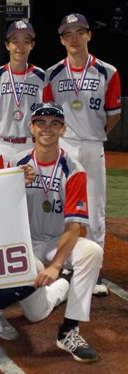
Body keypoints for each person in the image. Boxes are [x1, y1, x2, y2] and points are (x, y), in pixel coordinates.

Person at [0, 102, 102, 363]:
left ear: (62, 129)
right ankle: (65, 283)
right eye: (41, 123)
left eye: (54, 124)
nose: (47, 128)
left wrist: (55, 265)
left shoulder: (74, 169)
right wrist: (14, 184)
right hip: (24, 241)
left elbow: (75, 226)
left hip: (57, 240)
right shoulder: (15, 163)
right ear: (31, 128)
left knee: (91, 251)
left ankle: (69, 330)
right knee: (36, 313)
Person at [43, 13, 121, 296]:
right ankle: (62, 260)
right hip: (63, 146)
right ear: (62, 40)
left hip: (90, 144)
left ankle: (94, 269)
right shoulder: (52, 73)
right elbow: (47, 113)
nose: (74, 39)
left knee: (96, 208)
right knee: (61, 205)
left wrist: (94, 134)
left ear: (89, 35)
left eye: (79, 32)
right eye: (68, 34)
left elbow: (112, 116)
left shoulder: (107, 71)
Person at [0, 20, 45, 162]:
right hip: (2, 145)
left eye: (26, 42)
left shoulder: (42, 78)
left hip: (31, 144)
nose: (20, 47)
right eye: (15, 41)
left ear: (32, 45)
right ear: (7, 45)